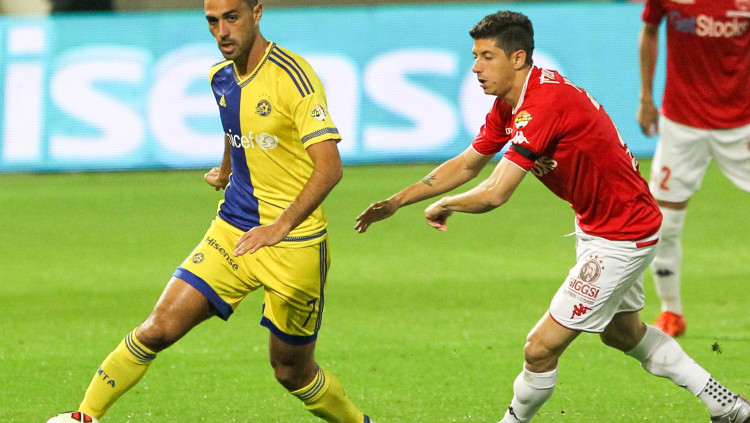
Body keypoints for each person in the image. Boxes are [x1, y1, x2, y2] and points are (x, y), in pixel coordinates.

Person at [356, 10, 749, 423]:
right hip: (605, 225)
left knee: (539, 348)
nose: (475, 68)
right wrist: (397, 201)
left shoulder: (544, 104)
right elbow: (468, 164)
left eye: (487, 57)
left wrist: (447, 204)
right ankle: (727, 406)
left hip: (622, 235)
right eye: (475, 57)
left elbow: (496, 192)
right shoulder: (510, 105)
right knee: (622, 333)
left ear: (517, 58)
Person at [72, 0, 373, 421]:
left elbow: (330, 168)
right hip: (232, 230)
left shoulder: (294, 77)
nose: (222, 31)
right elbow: (236, 127)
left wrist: (280, 226)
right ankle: (82, 416)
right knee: (157, 329)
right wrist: (228, 170)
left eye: (232, 18)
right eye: (213, 21)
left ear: (257, 12)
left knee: (291, 372)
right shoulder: (221, 76)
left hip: (294, 245)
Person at [636, 0, 750, 338]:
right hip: (681, 123)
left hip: (743, 123)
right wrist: (645, 99)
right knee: (664, 223)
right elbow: (649, 31)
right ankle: (671, 312)